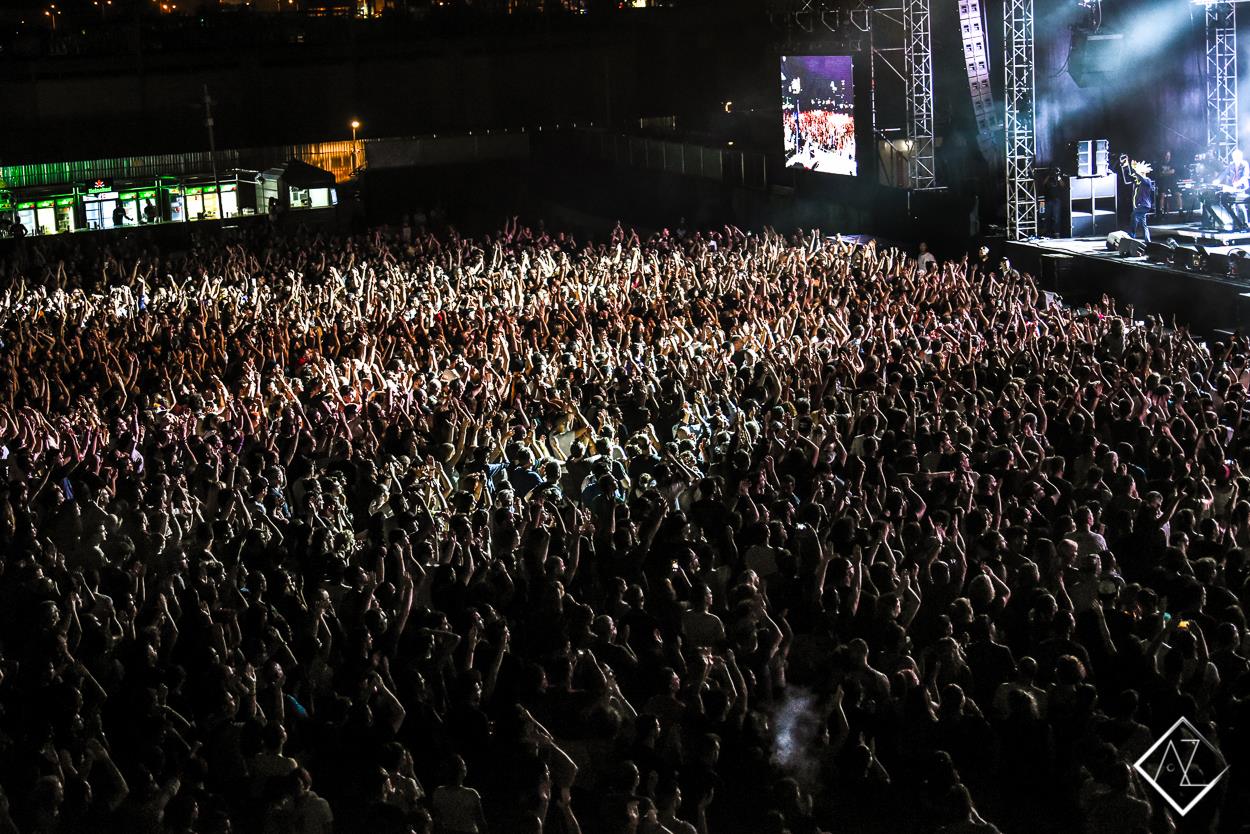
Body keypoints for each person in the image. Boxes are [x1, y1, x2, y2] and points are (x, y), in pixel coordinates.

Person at [1118, 154, 1155, 242]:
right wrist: (1126, 166)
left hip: (1144, 205)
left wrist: (1134, 168)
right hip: (1141, 205)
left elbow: (1137, 175)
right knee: (1143, 224)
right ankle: (1148, 241)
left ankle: (1132, 235)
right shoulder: (1140, 182)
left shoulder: (1147, 181)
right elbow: (1129, 176)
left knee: (1133, 215)